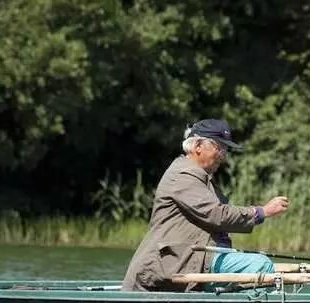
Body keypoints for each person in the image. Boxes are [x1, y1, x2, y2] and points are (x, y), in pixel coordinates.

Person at [121, 119, 289, 291]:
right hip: (170, 264)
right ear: (198, 146)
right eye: (220, 147)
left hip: (193, 259)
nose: (223, 155)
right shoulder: (183, 175)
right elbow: (216, 214)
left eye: (227, 150)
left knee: (268, 271)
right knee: (260, 266)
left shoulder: (202, 177)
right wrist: (261, 212)